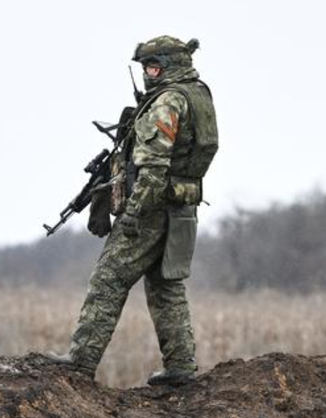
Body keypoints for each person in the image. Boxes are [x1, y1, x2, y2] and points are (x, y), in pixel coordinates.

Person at [50, 36, 218, 385]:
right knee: (164, 285)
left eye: (154, 66)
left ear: (171, 66)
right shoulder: (197, 94)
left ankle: (81, 361)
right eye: (144, 67)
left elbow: (153, 168)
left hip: (152, 209)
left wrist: (132, 214)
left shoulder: (168, 102)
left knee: (109, 277)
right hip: (181, 206)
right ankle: (180, 366)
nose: (147, 73)